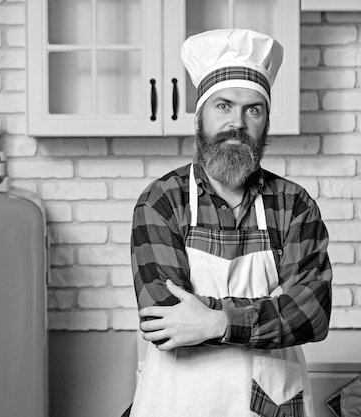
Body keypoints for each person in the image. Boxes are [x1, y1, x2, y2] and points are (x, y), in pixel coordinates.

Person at [129, 28, 332, 417]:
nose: (237, 122)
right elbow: (164, 319)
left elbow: (313, 314)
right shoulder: (162, 201)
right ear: (200, 116)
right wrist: (273, 309)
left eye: (252, 110)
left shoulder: (294, 204)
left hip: (269, 403)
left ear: (265, 123)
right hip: (178, 402)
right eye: (223, 106)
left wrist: (215, 322)